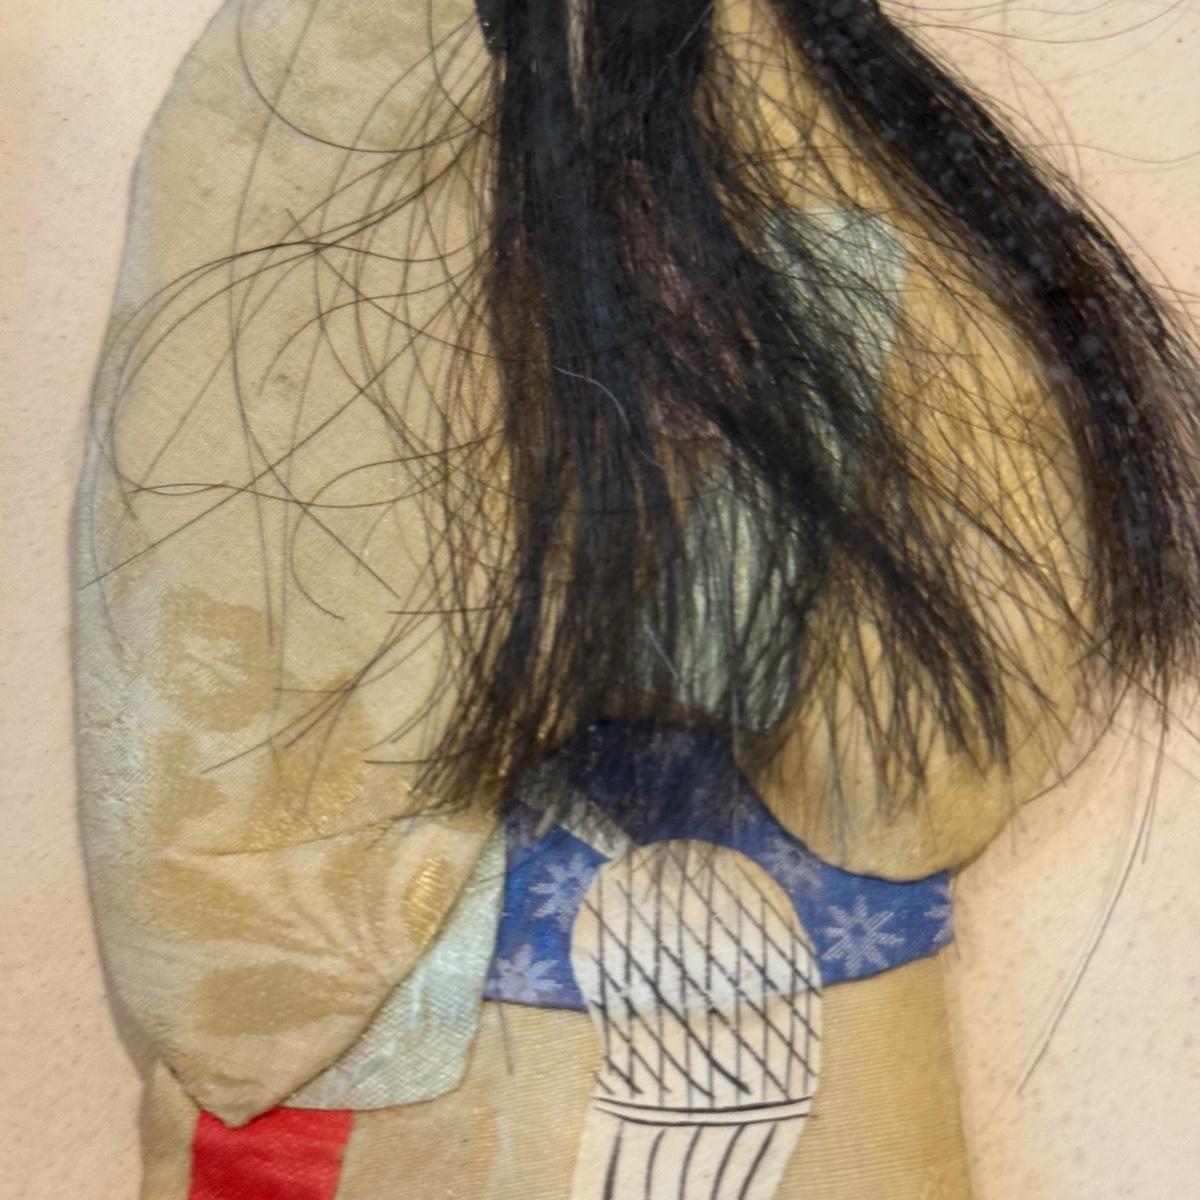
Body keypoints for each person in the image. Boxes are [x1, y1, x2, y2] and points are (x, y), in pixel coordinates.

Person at [72, 0, 1200, 1196]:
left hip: (784, 939)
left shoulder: (804, 92)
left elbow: (953, 661)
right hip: (415, 972)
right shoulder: (330, 64)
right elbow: (212, 555)